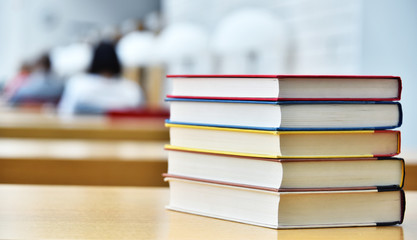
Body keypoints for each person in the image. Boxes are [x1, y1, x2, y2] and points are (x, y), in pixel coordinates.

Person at [58, 41, 144, 116]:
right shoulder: (132, 90)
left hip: (81, 134)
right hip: (122, 134)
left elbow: (64, 113)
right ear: (117, 62)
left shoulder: (77, 85)